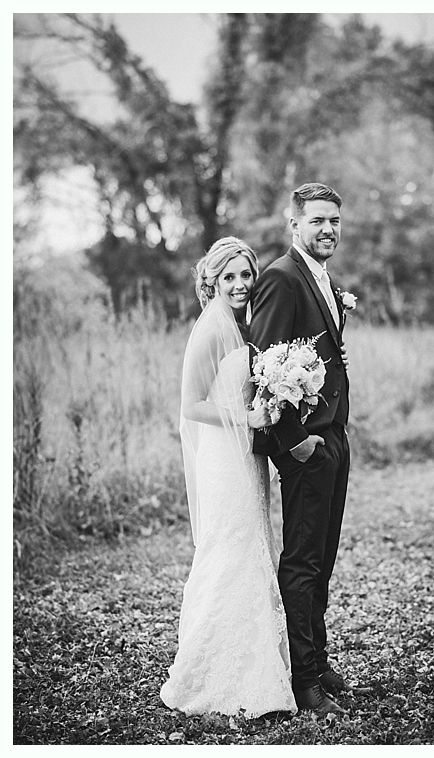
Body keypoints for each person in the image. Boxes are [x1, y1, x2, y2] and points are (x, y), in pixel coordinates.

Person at [161, 237, 295, 717]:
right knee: (228, 549)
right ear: (212, 282)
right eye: (229, 277)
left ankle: (259, 672)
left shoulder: (244, 324)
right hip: (223, 458)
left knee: (254, 547)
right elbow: (191, 405)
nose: (240, 284)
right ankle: (210, 672)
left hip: (247, 458)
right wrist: (248, 419)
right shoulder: (211, 329)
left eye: (245, 275)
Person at [249, 182, 352, 715]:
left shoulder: (324, 279)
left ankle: (321, 658)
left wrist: (333, 436)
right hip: (306, 445)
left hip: (335, 437)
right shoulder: (281, 279)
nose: (328, 229)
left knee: (325, 556)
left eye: (334, 220)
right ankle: (304, 679)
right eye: (317, 221)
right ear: (295, 224)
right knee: (303, 561)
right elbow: (262, 366)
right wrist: (297, 444)